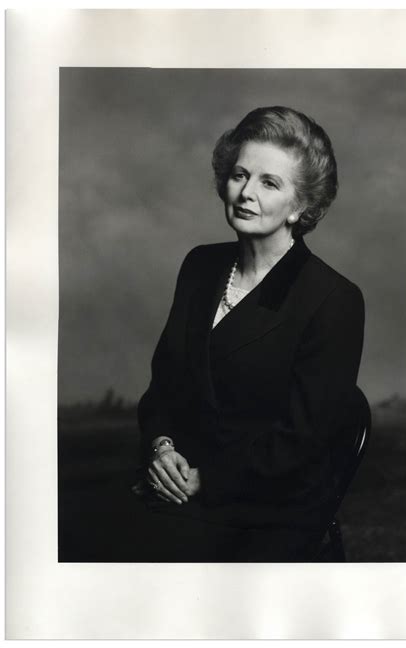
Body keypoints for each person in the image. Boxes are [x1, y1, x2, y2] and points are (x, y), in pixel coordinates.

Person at [130, 106, 366, 562]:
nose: (246, 193)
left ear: (303, 206)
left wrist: (204, 479)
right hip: (176, 486)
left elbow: (300, 441)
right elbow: (163, 387)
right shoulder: (200, 266)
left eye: (269, 183)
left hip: (266, 508)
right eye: (240, 175)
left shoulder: (334, 299)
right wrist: (161, 449)